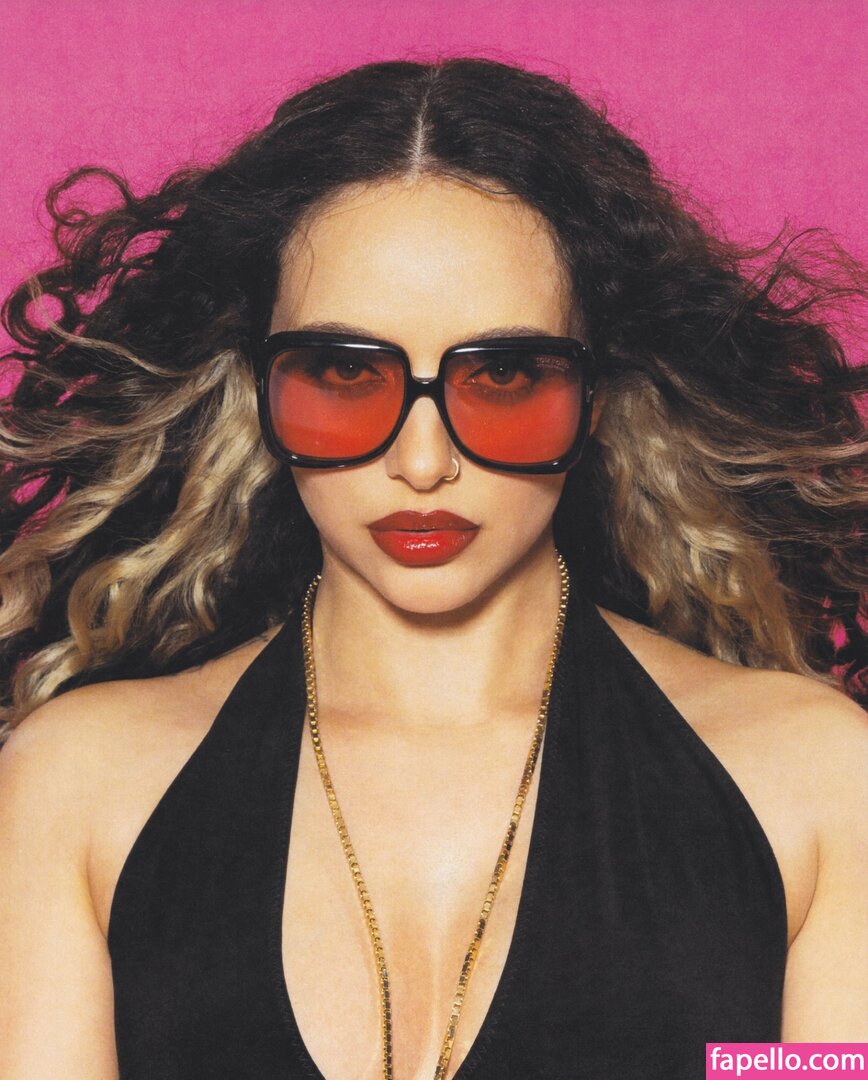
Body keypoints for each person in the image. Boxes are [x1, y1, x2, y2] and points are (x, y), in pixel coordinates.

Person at [0, 58, 865, 1080]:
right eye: (343, 372)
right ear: (259, 390)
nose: (421, 462)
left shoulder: (813, 788)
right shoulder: (82, 788)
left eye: (502, 374)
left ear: (594, 396)